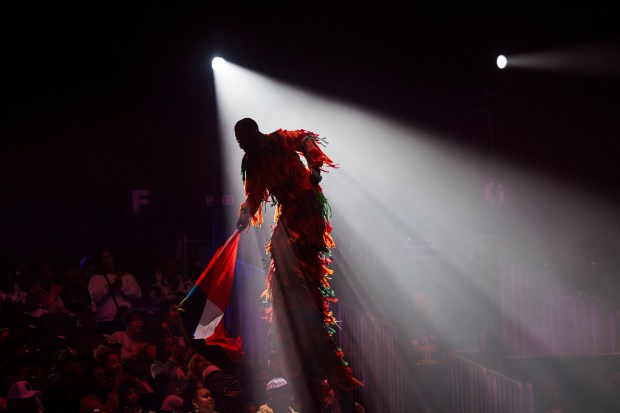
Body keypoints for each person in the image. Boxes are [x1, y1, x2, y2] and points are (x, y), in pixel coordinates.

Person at [233, 118, 361, 412]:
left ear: (254, 132)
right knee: (280, 256)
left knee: (281, 247)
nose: (240, 141)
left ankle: (299, 290)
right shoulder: (250, 162)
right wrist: (244, 216)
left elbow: (304, 138)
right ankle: (293, 299)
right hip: (289, 210)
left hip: (306, 205)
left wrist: (315, 167)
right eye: (237, 137)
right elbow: (253, 195)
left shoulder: (278, 139)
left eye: (243, 135)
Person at [88, 249, 142, 336]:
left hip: (126, 322)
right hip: (106, 323)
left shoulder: (127, 277)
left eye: (108, 257)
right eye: (103, 259)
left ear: (114, 259)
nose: (106, 261)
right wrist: (111, 288)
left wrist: (122, 285)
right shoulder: (96, 278)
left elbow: (137, 295)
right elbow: (95, 297)